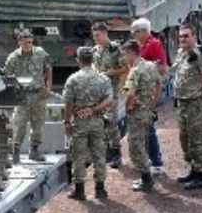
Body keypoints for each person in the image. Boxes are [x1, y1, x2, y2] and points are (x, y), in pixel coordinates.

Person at [62, 46, 114, 200]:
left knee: (79, 155)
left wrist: (67, 121)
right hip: (97, 121)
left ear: (78, 60)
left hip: (79, 122)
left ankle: (79, 190)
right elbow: (110, 100)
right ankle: (100, 189)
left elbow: (68, 103)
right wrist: (93, 109)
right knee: (99, 154)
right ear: (93, 60)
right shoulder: (103, 78)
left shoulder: (73, 79)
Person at [172, 23, 202, 190]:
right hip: (183, 103)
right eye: (181, 36)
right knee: (185, 139)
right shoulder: (181, 53)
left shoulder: (201, 55)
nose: (183, 39)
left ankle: (201, 175)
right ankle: (193, 169)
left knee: (197, 139)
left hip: (196, 103)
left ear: (194, 36)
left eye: (186, 36)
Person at [2, 29, 53, 163]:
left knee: (38, 124)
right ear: (19, 43)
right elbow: (7, 75)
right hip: (22, 96)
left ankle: (34, 150)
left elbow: (48, 69)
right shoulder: (13, 58)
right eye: (25, 43)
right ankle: (16, 151)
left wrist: (48, 87)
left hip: (38, 94)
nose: (28, 45)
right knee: (19, 124)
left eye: (30, 42)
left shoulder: (40, 53)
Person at [121, 40, 163, 192]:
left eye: (125, 54)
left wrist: (127, 107)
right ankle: (148, 174)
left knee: (135, 147)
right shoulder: (151, 66)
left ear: (132, 53)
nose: (125, 58)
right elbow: (159, 85)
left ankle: (147, 179)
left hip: (138, 114)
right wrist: (153, 103)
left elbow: (130, 93)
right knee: (144, 142)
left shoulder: (135, 70)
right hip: (148, 111)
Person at [130, 18, 168, 175]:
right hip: (141, 91)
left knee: (149, 129)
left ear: (145, 31)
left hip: (148, 92)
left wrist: (144, 71)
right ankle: (151, 160)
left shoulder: (154, 44)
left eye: (135, 32)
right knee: (145, 129)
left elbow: (163, 68)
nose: (133, 35)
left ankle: (156, 162)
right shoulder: (141, 45)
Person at [89, 22, 128, 168]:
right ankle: (106, 152)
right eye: (94, 36)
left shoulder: (115, 49)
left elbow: (125, 68)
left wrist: (112, 72)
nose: (96, 39)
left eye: (98, 35)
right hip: (98, 92)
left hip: (111, 91)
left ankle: (116, 152)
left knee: (111, 121)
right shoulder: (94, 50)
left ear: (105, 34)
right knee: (100, 122)